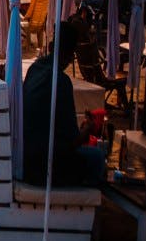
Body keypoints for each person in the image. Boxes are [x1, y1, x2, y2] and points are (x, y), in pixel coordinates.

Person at [22, 21, 105, 186]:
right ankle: (85, 202)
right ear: (70, 55)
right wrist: (88, 129)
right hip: (46, 166)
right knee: (97, 156)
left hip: (27, 155)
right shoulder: (60, 81)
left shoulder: (35, 69)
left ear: (51, 46)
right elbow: (72, 142)